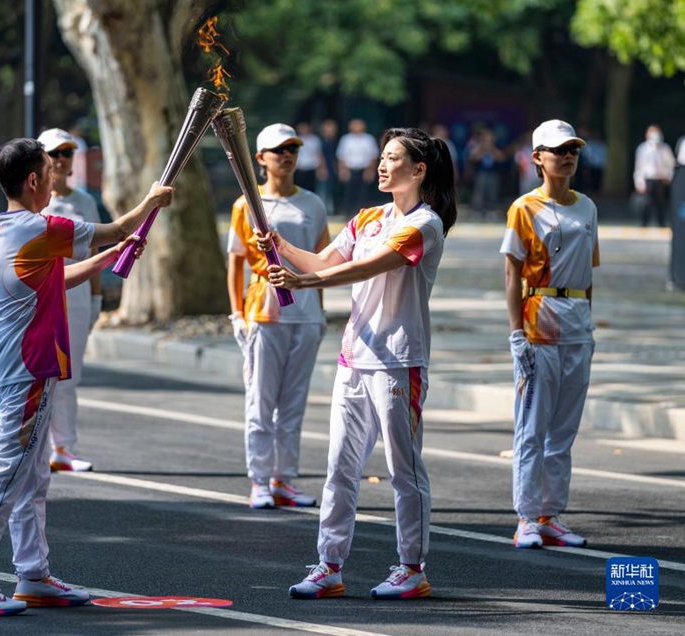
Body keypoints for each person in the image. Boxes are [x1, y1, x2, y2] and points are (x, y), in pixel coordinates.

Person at [0, 137, 173, 616]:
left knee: (31, 476)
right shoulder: (38, 226)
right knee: (8, 470)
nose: (57, 181)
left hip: (21, 364)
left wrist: (109, 258)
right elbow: (118, 225)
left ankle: (33, 574)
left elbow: (52, 276)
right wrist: (152, 201)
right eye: (50, 173)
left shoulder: (4, 230)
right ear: (32, 181)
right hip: (28, 365)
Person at [260, 128, 457, 600]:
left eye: (392, 159)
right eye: (382, 158)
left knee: (402, 469)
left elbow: (371, 267)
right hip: (353, 358)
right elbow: (323, 260)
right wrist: (282, 247)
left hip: (398, 361)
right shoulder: (368, 216)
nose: (382, 166)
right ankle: (329, 565)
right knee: (339, 466)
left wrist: (307, 285)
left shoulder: (426, 224)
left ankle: (412, 568)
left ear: (419, 170)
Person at [501, 119, 598, 551]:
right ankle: (526, 518)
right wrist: (515, 334)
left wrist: (589, 322)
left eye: (573, 148)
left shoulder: (587, 208)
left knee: (564, 430)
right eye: (558, 150)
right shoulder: (524, 208)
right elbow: (511, 275)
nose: (568, 156)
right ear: (537, 157)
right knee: (532, 428)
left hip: (578, 324)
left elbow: (589, 277)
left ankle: (550, 515)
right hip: (538, 321)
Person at [227, 123, 330, 510]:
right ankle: (259, 481)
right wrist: (236, 313)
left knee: (293, 402)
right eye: (278, 149)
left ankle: (283, 479)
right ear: (260, 158)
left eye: (292, 148)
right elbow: (235, 262)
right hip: (263, 309)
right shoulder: (247, 204)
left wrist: (320, 313)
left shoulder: (313, 204)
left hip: (304, 313)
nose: (287, 155)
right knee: (261, 399)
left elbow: (322, 263)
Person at [38, 128, 102, 473]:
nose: (61, 160)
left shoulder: (85, 201)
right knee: (42, 377)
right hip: (43, 299)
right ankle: (33, 445)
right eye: (54, 153)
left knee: (69, 376)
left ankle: (63, 448)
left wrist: (95, 301)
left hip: (76, 299)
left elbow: (93, 251)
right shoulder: (36, 203)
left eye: (66, 152)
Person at [633, 125, 676, 227]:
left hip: (661, 179)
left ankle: (661, 223)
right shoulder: (643, 148)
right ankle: (643, 222)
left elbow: (671, 164)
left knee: (660, 203)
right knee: (645, 203)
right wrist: (639, 182)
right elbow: (639, 167)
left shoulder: (665, 148)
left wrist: (669, 176)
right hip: (648, 179)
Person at [336, 119, 380, 214]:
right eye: (354, 125)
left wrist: (370, 171)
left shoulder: (369, 139)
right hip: (349, 170)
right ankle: (347, 213)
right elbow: (341, 156)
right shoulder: (346, 139)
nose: (356, 127)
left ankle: (362, 214)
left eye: (359, 125)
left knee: (363, 194)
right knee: (348, 193)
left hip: (364, 170)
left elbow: (373, 156)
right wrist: (342, 171)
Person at [465, 127, 504, 219]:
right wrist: (482, 149)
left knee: (492, 192)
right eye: (485, 138)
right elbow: (474, 157)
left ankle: (491, 211)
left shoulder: (495, 146)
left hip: (492, 173)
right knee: (479, 193)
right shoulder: (477, 146)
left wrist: (491, 148)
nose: (487, 140)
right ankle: (478, 211)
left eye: (489, 137)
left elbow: (500, 157)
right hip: (480, 173)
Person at [293, 122, 325, 193]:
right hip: (299, 167)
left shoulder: (315, 140)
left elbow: (319, 154)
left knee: (311, 188)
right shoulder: (296, 140)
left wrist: (320, 168)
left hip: (312, 167)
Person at [320, 119, 340, 214]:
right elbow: (320, 155)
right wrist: (322, 168)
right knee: (323, 190)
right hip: (324, 168)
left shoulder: (336, 141)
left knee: (332, 190)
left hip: (333, 168)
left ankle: (331, 210)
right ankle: (324, 210)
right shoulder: (321, 141)